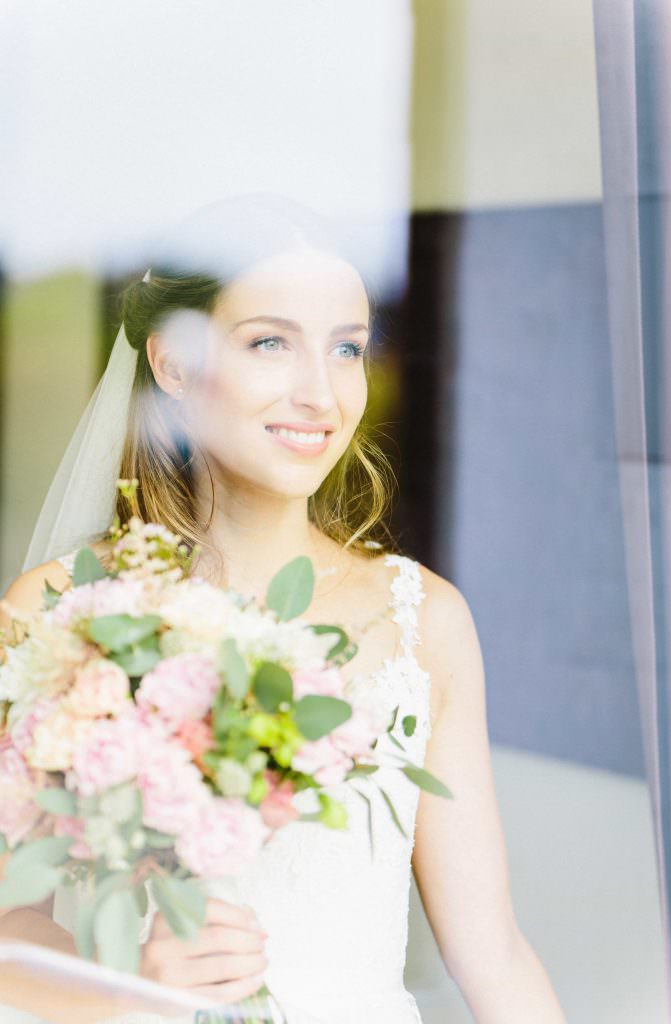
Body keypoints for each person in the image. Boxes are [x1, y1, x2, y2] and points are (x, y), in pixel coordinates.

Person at [0, 193, 567, 1023]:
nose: (320, 393)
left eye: (346, 349)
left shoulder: (421, 620)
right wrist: (126, 987)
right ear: (174, 365)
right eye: (270, 342)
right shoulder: (55, 612)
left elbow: (492, 953)